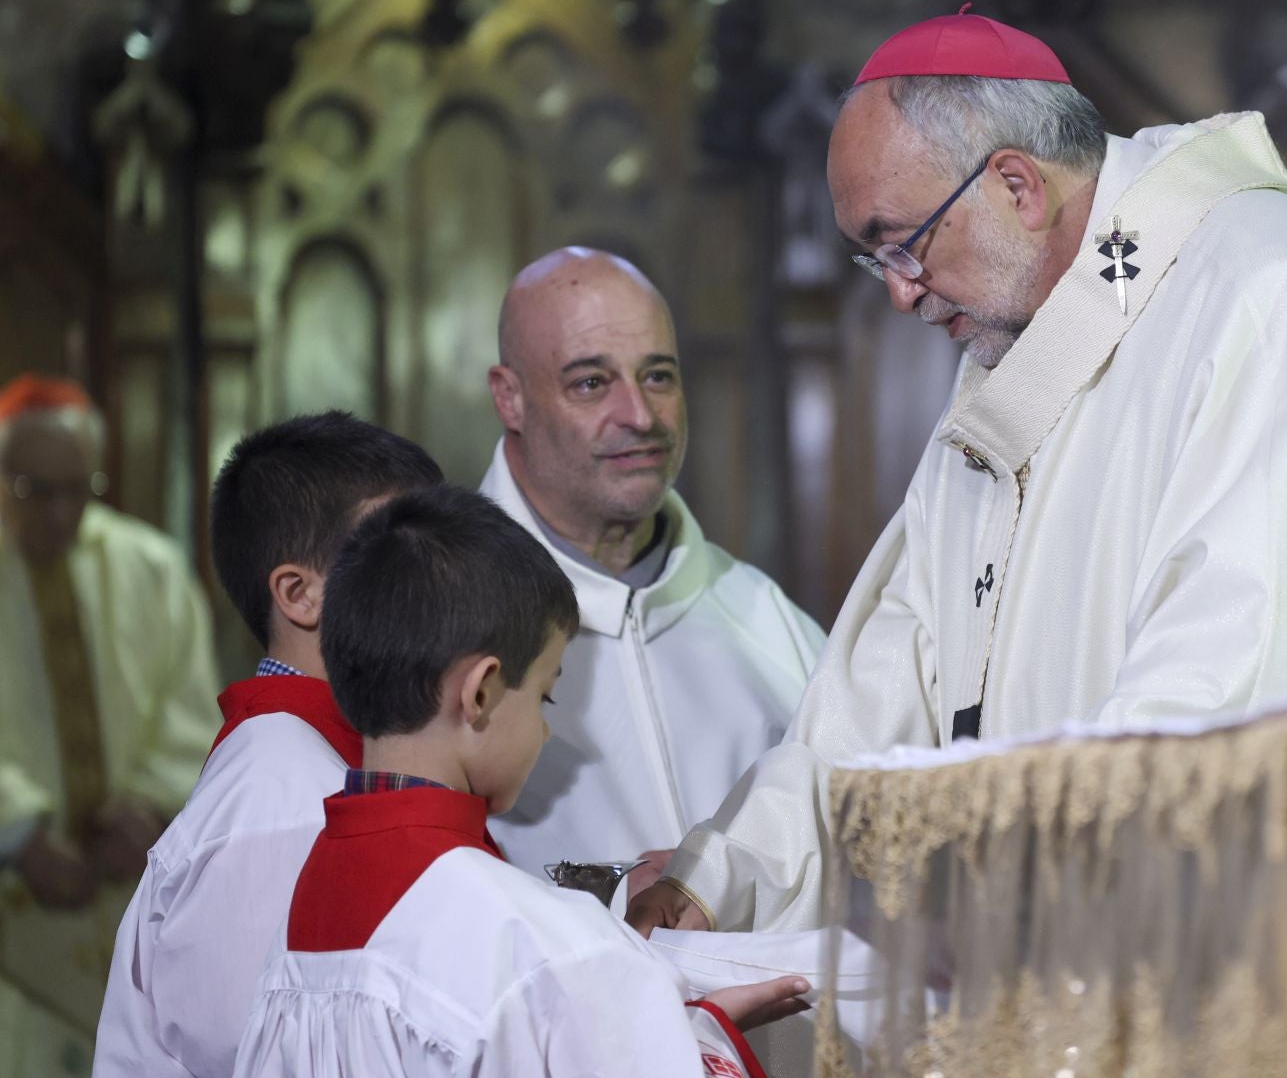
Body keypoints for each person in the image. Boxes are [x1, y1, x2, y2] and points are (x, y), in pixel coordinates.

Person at [628, 10, 1287, 936]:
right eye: (871, 257)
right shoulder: (1015, 366)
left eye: (903, 244)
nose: (897, 292)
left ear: (1015, 184)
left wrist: (1041, 886)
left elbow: (1238, 673)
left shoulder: (1268, 286)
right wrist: (720, 879)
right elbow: (890, 686)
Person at [232, 485, 807, 1077]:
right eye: (545, 695)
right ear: (480, 692)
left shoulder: (308, 899)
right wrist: (702, 1041)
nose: (545, 731)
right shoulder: (524, 934)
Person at [94, 412, 444, 1076]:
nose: (444, 581)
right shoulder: (283, 794)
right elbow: (255, 1055)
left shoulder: (321, 758)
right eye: (399, 555)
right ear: (298, 593)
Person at [480, 248, 823, 882]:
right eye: (591, 382)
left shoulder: (762, 616)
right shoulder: (443, 621)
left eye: (658, 376)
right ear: (511, 398)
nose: (639, 416)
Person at [0, 374, 222, 1075]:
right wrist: (20, 830)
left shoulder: (150, 569)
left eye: (79, 489)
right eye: (36, 491)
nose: (60, 514)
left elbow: (193, 716)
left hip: (132, 904)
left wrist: (150, 807)